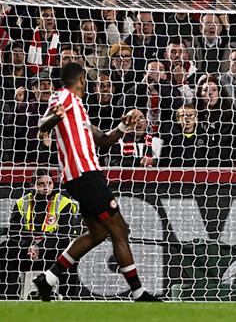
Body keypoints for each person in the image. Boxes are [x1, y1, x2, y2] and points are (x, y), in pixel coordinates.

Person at [32, 62, 161, 302]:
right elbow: (42, 124)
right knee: (120, 229)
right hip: (85, 176)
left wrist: (124, 125)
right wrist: (54, 118)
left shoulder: (79, 109)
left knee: (99, 233)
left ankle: (48, 278)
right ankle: (139, 292)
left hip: (84, 178)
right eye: (86, 79)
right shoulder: (63, 98)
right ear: (81, 80)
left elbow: (103, 140)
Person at [0, 169, 80, 299]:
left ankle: (69, 299)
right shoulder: (22, 203)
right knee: (5, 250)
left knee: (71, 253)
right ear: (33, 185)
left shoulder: (64, 203)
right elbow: (15, 231)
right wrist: (29, 245)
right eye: (41, 184)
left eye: (49, 183)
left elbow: (64, 233)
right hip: (27, 251)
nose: (46, 187)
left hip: (52, 252)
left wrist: (40, 247)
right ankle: (8, 298)